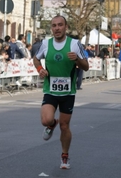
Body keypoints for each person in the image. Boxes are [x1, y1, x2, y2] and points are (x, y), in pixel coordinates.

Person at [33, 15, 89, 169]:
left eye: (60, 25)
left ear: (66, 27)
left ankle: (65, 156)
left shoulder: (75, 44)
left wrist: (77, 59)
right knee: (46, 120)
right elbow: (35, 59)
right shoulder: (45, 43)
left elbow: (86, 66)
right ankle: (51, 125)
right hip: (50, 90)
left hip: (68, 93)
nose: (57, 28)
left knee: (64, 126)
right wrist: (40, 70)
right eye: (54, 26)